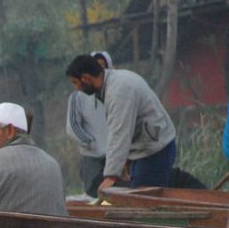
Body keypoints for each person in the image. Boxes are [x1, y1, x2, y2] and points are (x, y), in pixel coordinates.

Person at [65, 54, 177, 191]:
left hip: (154, 151)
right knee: (139, 198)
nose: (76, 88)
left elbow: (119, 134)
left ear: (86, 79)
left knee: (144, 203)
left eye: (75, 83)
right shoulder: (112, 84)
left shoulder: (119, 91)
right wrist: (125, 162)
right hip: (143, 150)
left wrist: (111, 176)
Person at [65, 51, 112, 197]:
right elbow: (73, 125)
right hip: (91, 156)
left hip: (115, 154)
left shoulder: (113, 91)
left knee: (115, 195)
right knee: (93, 195)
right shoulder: (77, 97)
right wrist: (89, 142)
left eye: (103, 66)